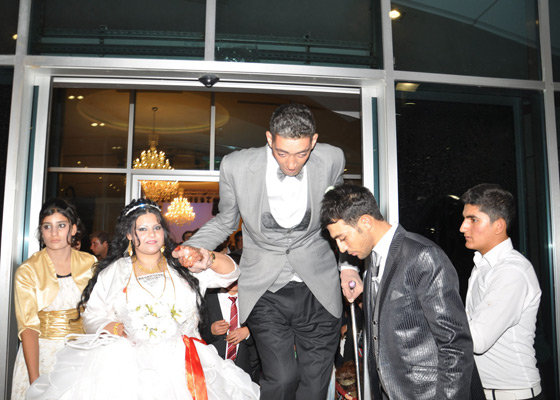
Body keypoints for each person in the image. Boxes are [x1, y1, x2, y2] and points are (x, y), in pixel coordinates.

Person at [173, 103, 347, 400]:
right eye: (282, 153)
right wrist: (194, 247)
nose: (291, 164)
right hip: (265, 289)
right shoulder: (236, 166)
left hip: (319, 286)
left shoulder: (332, 159)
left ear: (314, 141)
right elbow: (226, 221)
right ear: (269, 139)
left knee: (316, 383)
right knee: (281, 378)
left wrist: (349, 266)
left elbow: (340, 216)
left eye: (301, 153)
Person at [27, 198, 259, 400]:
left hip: (184, 364)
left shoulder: (183, 266)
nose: (152, 234)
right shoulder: (116, 271)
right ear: (129, 234)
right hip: (129, 366)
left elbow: (231, 273)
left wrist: (205, 256)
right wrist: (116, 328)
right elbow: (92, 317)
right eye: (143, 229)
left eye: (156, 227)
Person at [320, 184, 481, 399]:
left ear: (365, 222)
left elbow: (455, 345)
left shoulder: (422, 256)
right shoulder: (373, 263)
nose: (341, 248)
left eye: (342, 238)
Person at [460, 184, 542, 399]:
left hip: (512, 394)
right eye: (464, 219)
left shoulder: (512, 271)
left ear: (498, 226)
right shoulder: (483, 265)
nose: (462, 228)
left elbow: (478, 340)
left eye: (473, 220)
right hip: (485, 391)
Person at [11, 199, 96, 400]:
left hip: (82, 353)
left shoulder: (90, 263)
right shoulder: (28, 270)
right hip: (43, 356)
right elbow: (28, 328)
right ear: (41, 232)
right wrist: (35, 380)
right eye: (47, 227)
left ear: (73, 229)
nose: (54, 233)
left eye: (61, 225)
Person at [200, 278, 261, 383]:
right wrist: (211, 330)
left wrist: (248, 332)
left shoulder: (254, 299)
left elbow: (267, 329)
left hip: (245, 369)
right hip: (212, 368)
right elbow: (193, 330)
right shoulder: (206, 298)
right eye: (232, 275)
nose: (235, 280)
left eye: (239, 276)